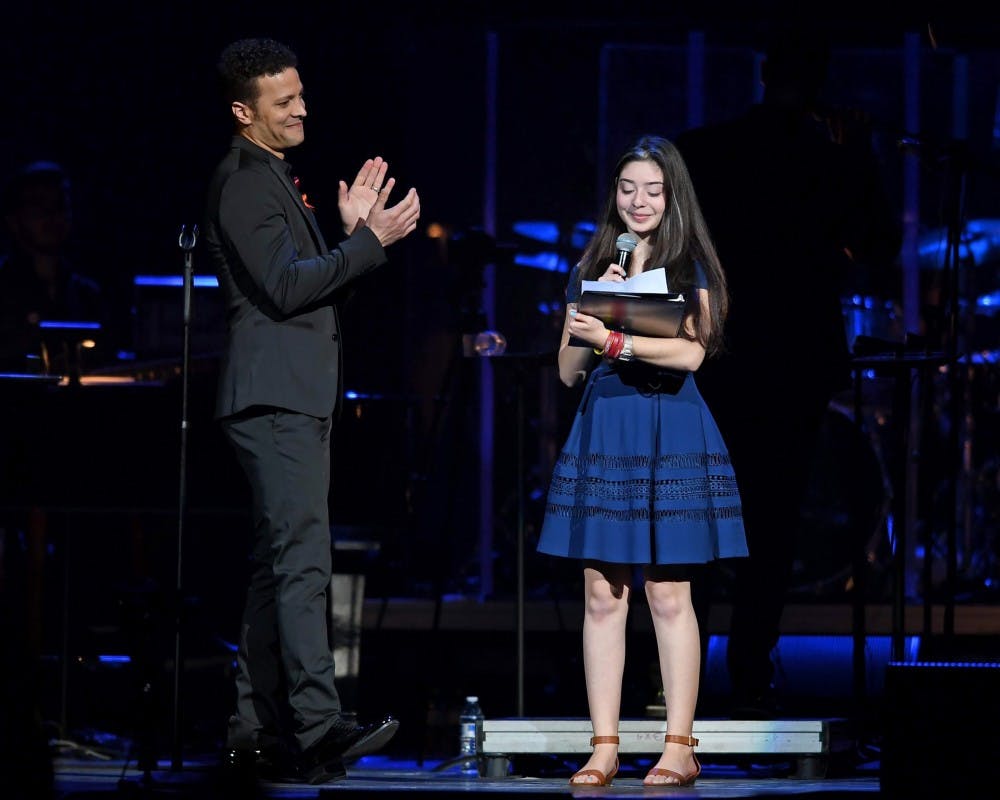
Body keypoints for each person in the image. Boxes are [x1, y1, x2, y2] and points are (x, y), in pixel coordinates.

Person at [203, 37, 420, 785]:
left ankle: (251, 733)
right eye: (283, 101)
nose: (301, 109)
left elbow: (304, 288)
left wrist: (348, 238)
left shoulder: (271, 176)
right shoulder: (242, 181)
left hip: (290, 396)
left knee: (276, 569)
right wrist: (365, 241)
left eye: (300, 94)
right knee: (302, 564)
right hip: (272, 401)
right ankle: (319, 727)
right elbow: (287, 291)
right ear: (244, 111)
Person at [674, 24, 902, 718]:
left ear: (764, 72)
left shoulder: (703, 149)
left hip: (714, 355)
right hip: (792, 361)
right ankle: (747, 674)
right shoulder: (825, 161)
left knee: (699, 522)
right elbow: (878, 247)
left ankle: (677, 679)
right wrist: (859, 158)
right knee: (770, 522)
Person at [536, 135, 748, 787]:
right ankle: (604, 744)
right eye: (628, 189)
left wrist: (620, 337)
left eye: (653, 190)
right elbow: (570, 372)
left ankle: (679, 745)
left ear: (672, 195)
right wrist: (583, 323)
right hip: (607, 423)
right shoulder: (597, 262)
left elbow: (691, 355)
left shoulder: (691, 267)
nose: (639, 201)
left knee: (667, 589)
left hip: (670, 424)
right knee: (602, 592)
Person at [0, 160, 107, 375]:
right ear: (13, 219)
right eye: (39, 205)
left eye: (60, 204)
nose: (52, 215)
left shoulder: (87, 295)